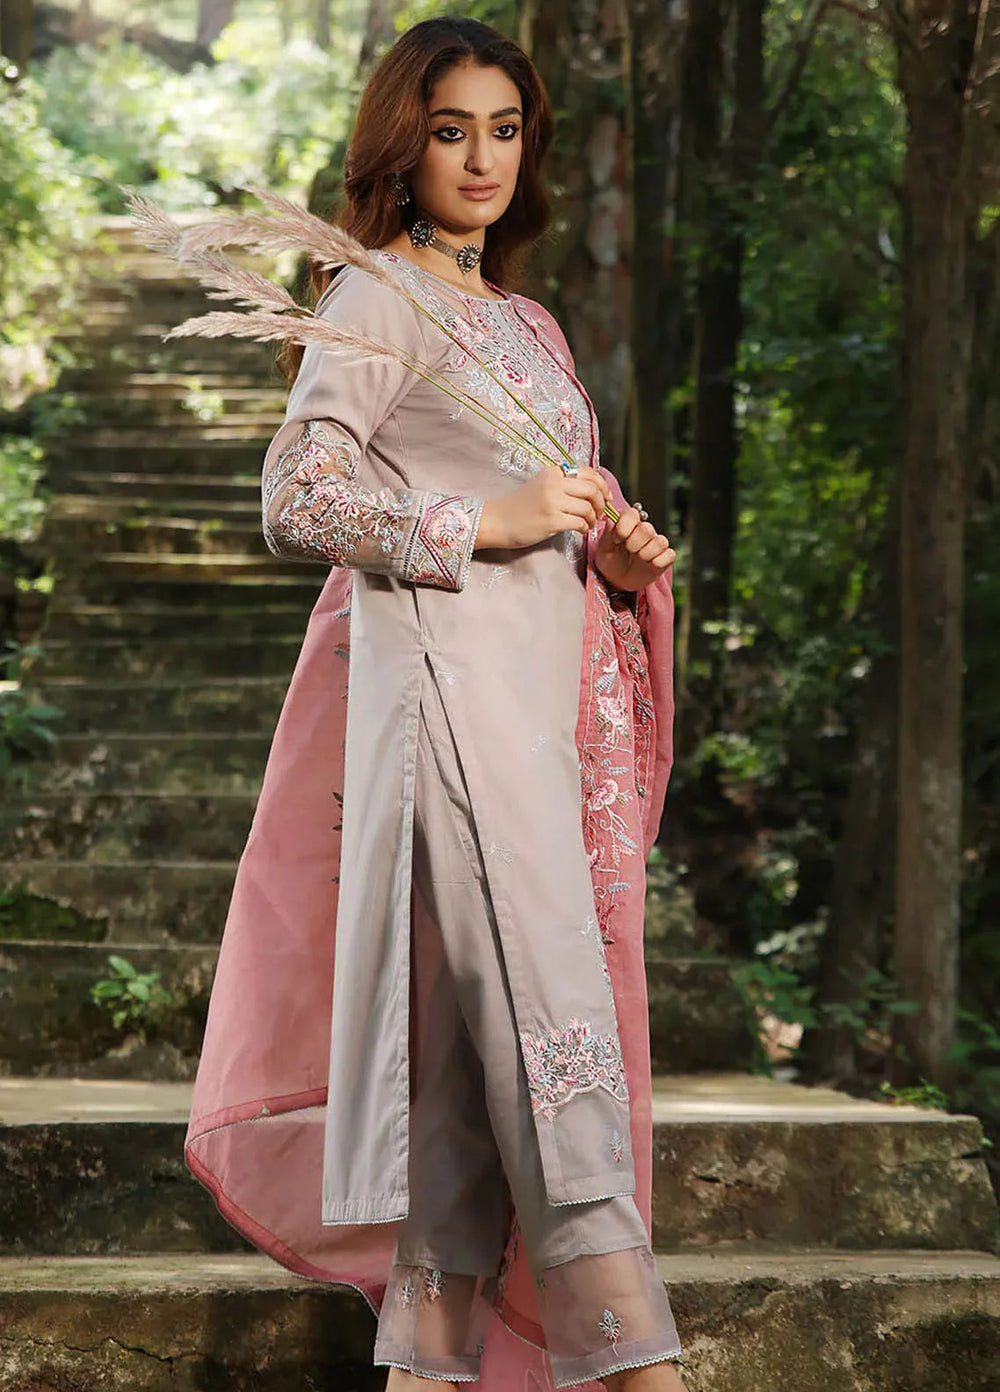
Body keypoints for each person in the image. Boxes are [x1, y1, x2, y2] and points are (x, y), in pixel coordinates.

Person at [181, 15, 688, 1392]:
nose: (482, 159)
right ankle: (640, 1363)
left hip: (541, 718)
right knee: (543, 1013)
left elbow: (548, 517)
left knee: (465, 1068)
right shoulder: (377, 295)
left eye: (505, 131)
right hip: (449, 710)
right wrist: (487, 522)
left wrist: (611, 562)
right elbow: (298, 495)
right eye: (452, 130)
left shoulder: (529, 323)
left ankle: (427, 1362)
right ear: (403, 149)